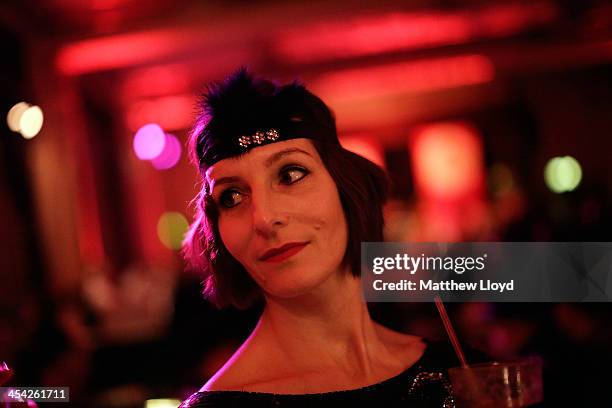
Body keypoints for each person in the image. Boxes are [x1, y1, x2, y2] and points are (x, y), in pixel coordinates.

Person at [179, 69, 472, 407]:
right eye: (232, 196)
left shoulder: (462, 370)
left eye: (290, 174)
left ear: (346, 187)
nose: (263, 218)